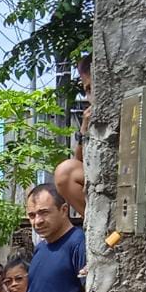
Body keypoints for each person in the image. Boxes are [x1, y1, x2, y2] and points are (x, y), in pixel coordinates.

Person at [54, 56, 92, 217]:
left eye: (91, 89)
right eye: (86, 90)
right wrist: (84, 130)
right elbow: (81, 163)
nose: (88, 97)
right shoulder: (90, 117)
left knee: (66, 172)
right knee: (67, 171)